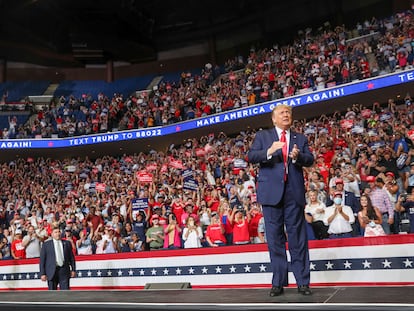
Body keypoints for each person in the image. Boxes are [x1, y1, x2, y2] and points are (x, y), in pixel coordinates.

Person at [247, 104, 314, 296]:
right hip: (271, 194)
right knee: (274, 240)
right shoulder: (263, 137)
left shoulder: (299, 138)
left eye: (288, 113)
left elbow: (310, 159)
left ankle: (303, 282)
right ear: (274, 119)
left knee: (298, 239)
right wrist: (268, 151)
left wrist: (299, 156)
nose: (286, 115)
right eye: (282, 113)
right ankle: (278, 282)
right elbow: (251, 156)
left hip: (294, 194)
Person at [39, 226, 76, 290]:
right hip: (51, 272)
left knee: (65, 293)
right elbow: (42, 261)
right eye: (55, 232)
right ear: (52, 234)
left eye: (59, 232)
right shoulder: (46, 245)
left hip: (64, 270)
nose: (58, 234)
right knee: (52, 294)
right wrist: (42, 273)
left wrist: (73, 270)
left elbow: (71, 258)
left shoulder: (67, 243)